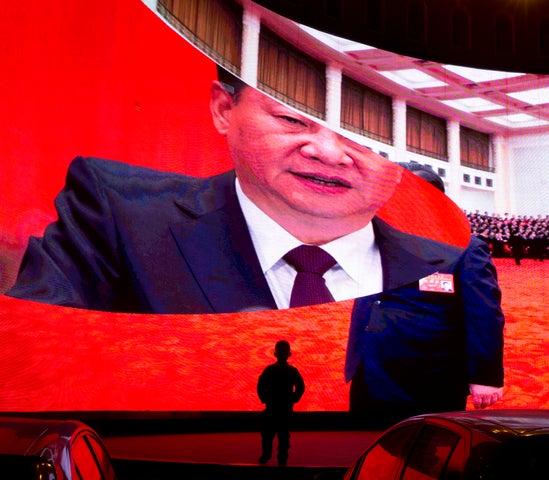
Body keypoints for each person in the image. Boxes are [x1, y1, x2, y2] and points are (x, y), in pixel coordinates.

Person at [7, 67, 504, 415]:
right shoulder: (118, 214)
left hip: (410, 393)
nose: (329, 152)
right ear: (224, 110)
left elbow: (481, 314)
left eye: (365, 139)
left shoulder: (439, 253)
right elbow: (34, 358)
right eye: (291, 118)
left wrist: (485, 375)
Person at [257, 340, 305, 466]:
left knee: (270, 435)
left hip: (274, 408)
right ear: (290, 354)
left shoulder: (269, 370)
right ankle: (281, 458)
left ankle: (268, 455)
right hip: (284, 408)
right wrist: (294, 398)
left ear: (275, 354)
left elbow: (260, 385)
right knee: (282, 436)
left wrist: (265, 398)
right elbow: (300, 387)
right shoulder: (292, 371)